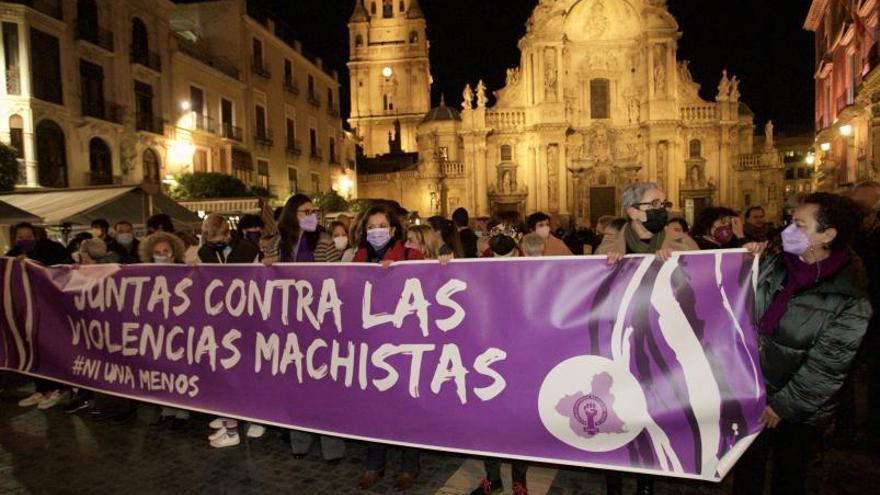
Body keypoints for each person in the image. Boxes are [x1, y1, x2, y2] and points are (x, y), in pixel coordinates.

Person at [733, 193, 871, 495]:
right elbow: (737, 304)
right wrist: (744, 262)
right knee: (746, 471)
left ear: (827, 235)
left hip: (797, 410)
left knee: (790, 474)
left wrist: (783, 405)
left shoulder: (849, 298)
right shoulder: (777, 265)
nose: (787, 231)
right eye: (789, 222)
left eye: (799, 225)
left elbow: (828, 365)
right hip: (753, 392)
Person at [598, 183, 698, 495]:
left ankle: (646, 482)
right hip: (618, 345)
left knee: (651, 416)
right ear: (632, 211)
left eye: (662, 202)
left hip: (662, 346)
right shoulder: (610, 242)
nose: (661, 208)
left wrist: (678, 260)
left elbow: (710, 270)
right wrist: (607, 265)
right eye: (652, 203)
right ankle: (613, 482)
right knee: (616, 415)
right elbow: (589, 284)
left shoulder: (677, 239)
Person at [353, 204, 423, 490]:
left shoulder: (411, 256)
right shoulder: (357, 258)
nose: (376, 231)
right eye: (371, 227)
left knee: (407, 405)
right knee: (373, 406)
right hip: (370, 345)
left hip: (405, 345)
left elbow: (432, 285)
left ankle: (409, 465)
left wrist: (445, 261)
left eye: (382, 225)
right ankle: (374, 462)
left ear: (393, 230)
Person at [195, 214, 264, 447]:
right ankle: (231, 423)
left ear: (228, 234)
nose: (214, 245)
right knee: (225, 374)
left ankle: (254, 417)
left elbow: (259, 282)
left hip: (247, 319)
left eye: (218, 240)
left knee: (247, 372)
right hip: (220, 320)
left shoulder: (247, 250)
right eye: (210, 241)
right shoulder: (204, 252)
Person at [8, 223, 69, 410]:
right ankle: (41, 389)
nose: (24, 240)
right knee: (33, 350)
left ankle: (57, 389)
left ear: (36, 235)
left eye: (28, 236)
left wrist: (32, 263)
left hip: (51, 310)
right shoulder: (12, 255)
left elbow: (60, 270)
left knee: (51, 350)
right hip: (28, 311)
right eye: (20, 237)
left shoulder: (52, 249)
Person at [139, 231, 191, 430]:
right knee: (160, 370)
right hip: (156, 330)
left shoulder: (186, 271)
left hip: (180, 330)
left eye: (165, 251)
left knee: (179, 370)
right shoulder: (143, 274)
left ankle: (182, 412)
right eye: (157, 252)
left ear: (174, 252)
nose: (161, 255)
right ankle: (166, 410)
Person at [597, 182, 698, 262]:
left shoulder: (683, 242)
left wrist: (676, 258)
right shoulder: (609, 246)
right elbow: (595, 281)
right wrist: (611, 265)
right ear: (633, 212)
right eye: (655, 204)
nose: (663, 210)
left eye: (664, 204)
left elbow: (699, 276)